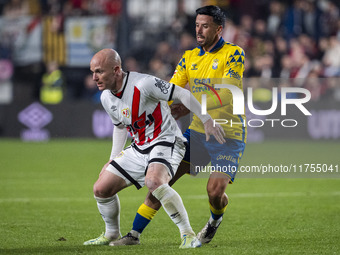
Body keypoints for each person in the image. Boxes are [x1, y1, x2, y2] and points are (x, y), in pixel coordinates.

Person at [110, 5, 247, 246]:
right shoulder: (189, 57)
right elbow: (171, 91)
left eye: (205, 26)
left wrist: (190, 105)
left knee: (215, 192)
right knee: (162, 181)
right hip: (196, 132)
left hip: (229, 131)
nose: (199, 30)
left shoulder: (234, 53)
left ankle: (215, 220)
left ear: (218, 29)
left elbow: (229, 94)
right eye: (197, 25)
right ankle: (134, 235)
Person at [83, 48, 225, 248]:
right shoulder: (106, 97)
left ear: (116, 70)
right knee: (100, 188)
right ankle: (112, 233)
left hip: (166, 141)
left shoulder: (144, 83)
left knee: (154, 181)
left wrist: (206, 119)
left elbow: (182, 93)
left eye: (99, 72)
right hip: (139, 147)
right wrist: (113, 159)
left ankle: (188, 234)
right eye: (92, 72)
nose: (94, 78)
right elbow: (120, 127)